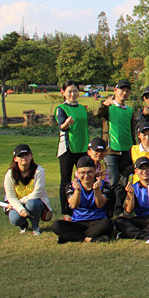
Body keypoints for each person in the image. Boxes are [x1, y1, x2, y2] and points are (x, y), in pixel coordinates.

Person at [51, 156, 114, 243]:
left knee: (108, 224)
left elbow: (100, 205)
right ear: (77, 173)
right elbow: (74, 205)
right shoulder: (71, 186)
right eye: (82, 173)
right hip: (78, 222)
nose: (86, 176)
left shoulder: (104, 185)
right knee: (56, 225)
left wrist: (96, 190)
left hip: (97, 221)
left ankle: (71, 236)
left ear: (95, 171)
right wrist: (77, 191)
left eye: (90, 172)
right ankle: (88, 238)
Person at [55, 80, 89, 219]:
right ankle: (66, 211)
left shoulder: (82, 108)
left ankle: (83, 207)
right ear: (63, 92)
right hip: (68, 149)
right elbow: (62, 127)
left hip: (83, 148)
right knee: (66, 180)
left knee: (86, 178)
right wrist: (67, 123)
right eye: (69, 91)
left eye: (75, 91)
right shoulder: (61, 108)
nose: (73, 94)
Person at [2, 144, 52, 235]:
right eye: (20, 156)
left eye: (26, 154)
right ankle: (23, 225)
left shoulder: (39, 171)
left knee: (31, 204)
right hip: (16, 202)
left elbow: (37, 193)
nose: (24, 157)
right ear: (15, 159)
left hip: (34, 202)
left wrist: (20, 202)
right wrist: (20, 208)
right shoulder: (10, 174)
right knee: (15, 219)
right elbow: (10, 196)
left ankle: (35, 227)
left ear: (31, 156)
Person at [96, 79, 134, 198]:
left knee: (123, 182)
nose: (125, 93)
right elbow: (98, 114)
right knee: (112, 181)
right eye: (122, 90)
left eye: (127, 91)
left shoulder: (130, 110)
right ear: (115, 90)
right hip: (111, 150)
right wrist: (103, 104)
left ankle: (119, 207)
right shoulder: (109, 107)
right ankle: (109, 206)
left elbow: (132, 130)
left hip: (127, 150)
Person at [114, 157, 149, 240]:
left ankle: (132, 234)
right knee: (119, 221)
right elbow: (129, 210)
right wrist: (131, 195)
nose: (145, 171)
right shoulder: (134, 187)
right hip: (143, 219)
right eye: (141, 169)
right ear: (136, 171)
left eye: (147, 168)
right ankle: (145, 235)